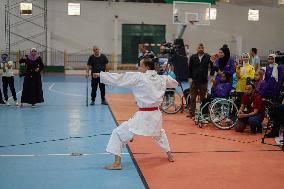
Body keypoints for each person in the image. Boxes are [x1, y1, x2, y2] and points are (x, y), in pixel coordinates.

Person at [93, 58, 178, 170]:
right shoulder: (162, 78)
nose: (139, 68)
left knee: (118, 133)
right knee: (159, 134)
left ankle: (117, 163)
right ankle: (170, 155)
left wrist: (101, 75)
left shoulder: (139, 77)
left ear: (147, 67)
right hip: (156, 115)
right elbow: (174, 83)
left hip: (143, 116)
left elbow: (119, 78)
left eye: (141, 66)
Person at [188, 43, 214, 117]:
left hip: (203, 80)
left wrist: (211, 74)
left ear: (204, 49)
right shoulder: (193, 57)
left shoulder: (208, 56)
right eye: (199, 48)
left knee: (203, 98)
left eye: (202, 48)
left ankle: (203, 113)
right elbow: (189, 68)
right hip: (194, 80)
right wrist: (190, 78)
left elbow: (213, 66)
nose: (201, 49)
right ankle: (191, 113)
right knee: (192, 97)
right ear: (197, 49)